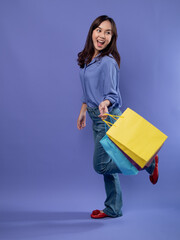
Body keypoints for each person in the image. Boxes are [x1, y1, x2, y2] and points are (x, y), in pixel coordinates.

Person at [77, 15, 159, 219]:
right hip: (96, 117)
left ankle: (147, 163)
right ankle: (113, 208)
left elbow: (112, 95)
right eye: (99, 30)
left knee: (101, 165)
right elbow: (89, 90)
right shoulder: (89, 59)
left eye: (108, 32)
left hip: (107, 116)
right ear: (92, 31)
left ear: (112, 38)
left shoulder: (108, 62)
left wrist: (104, 104)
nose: (102, 35)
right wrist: (83, 110)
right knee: (108, 168)